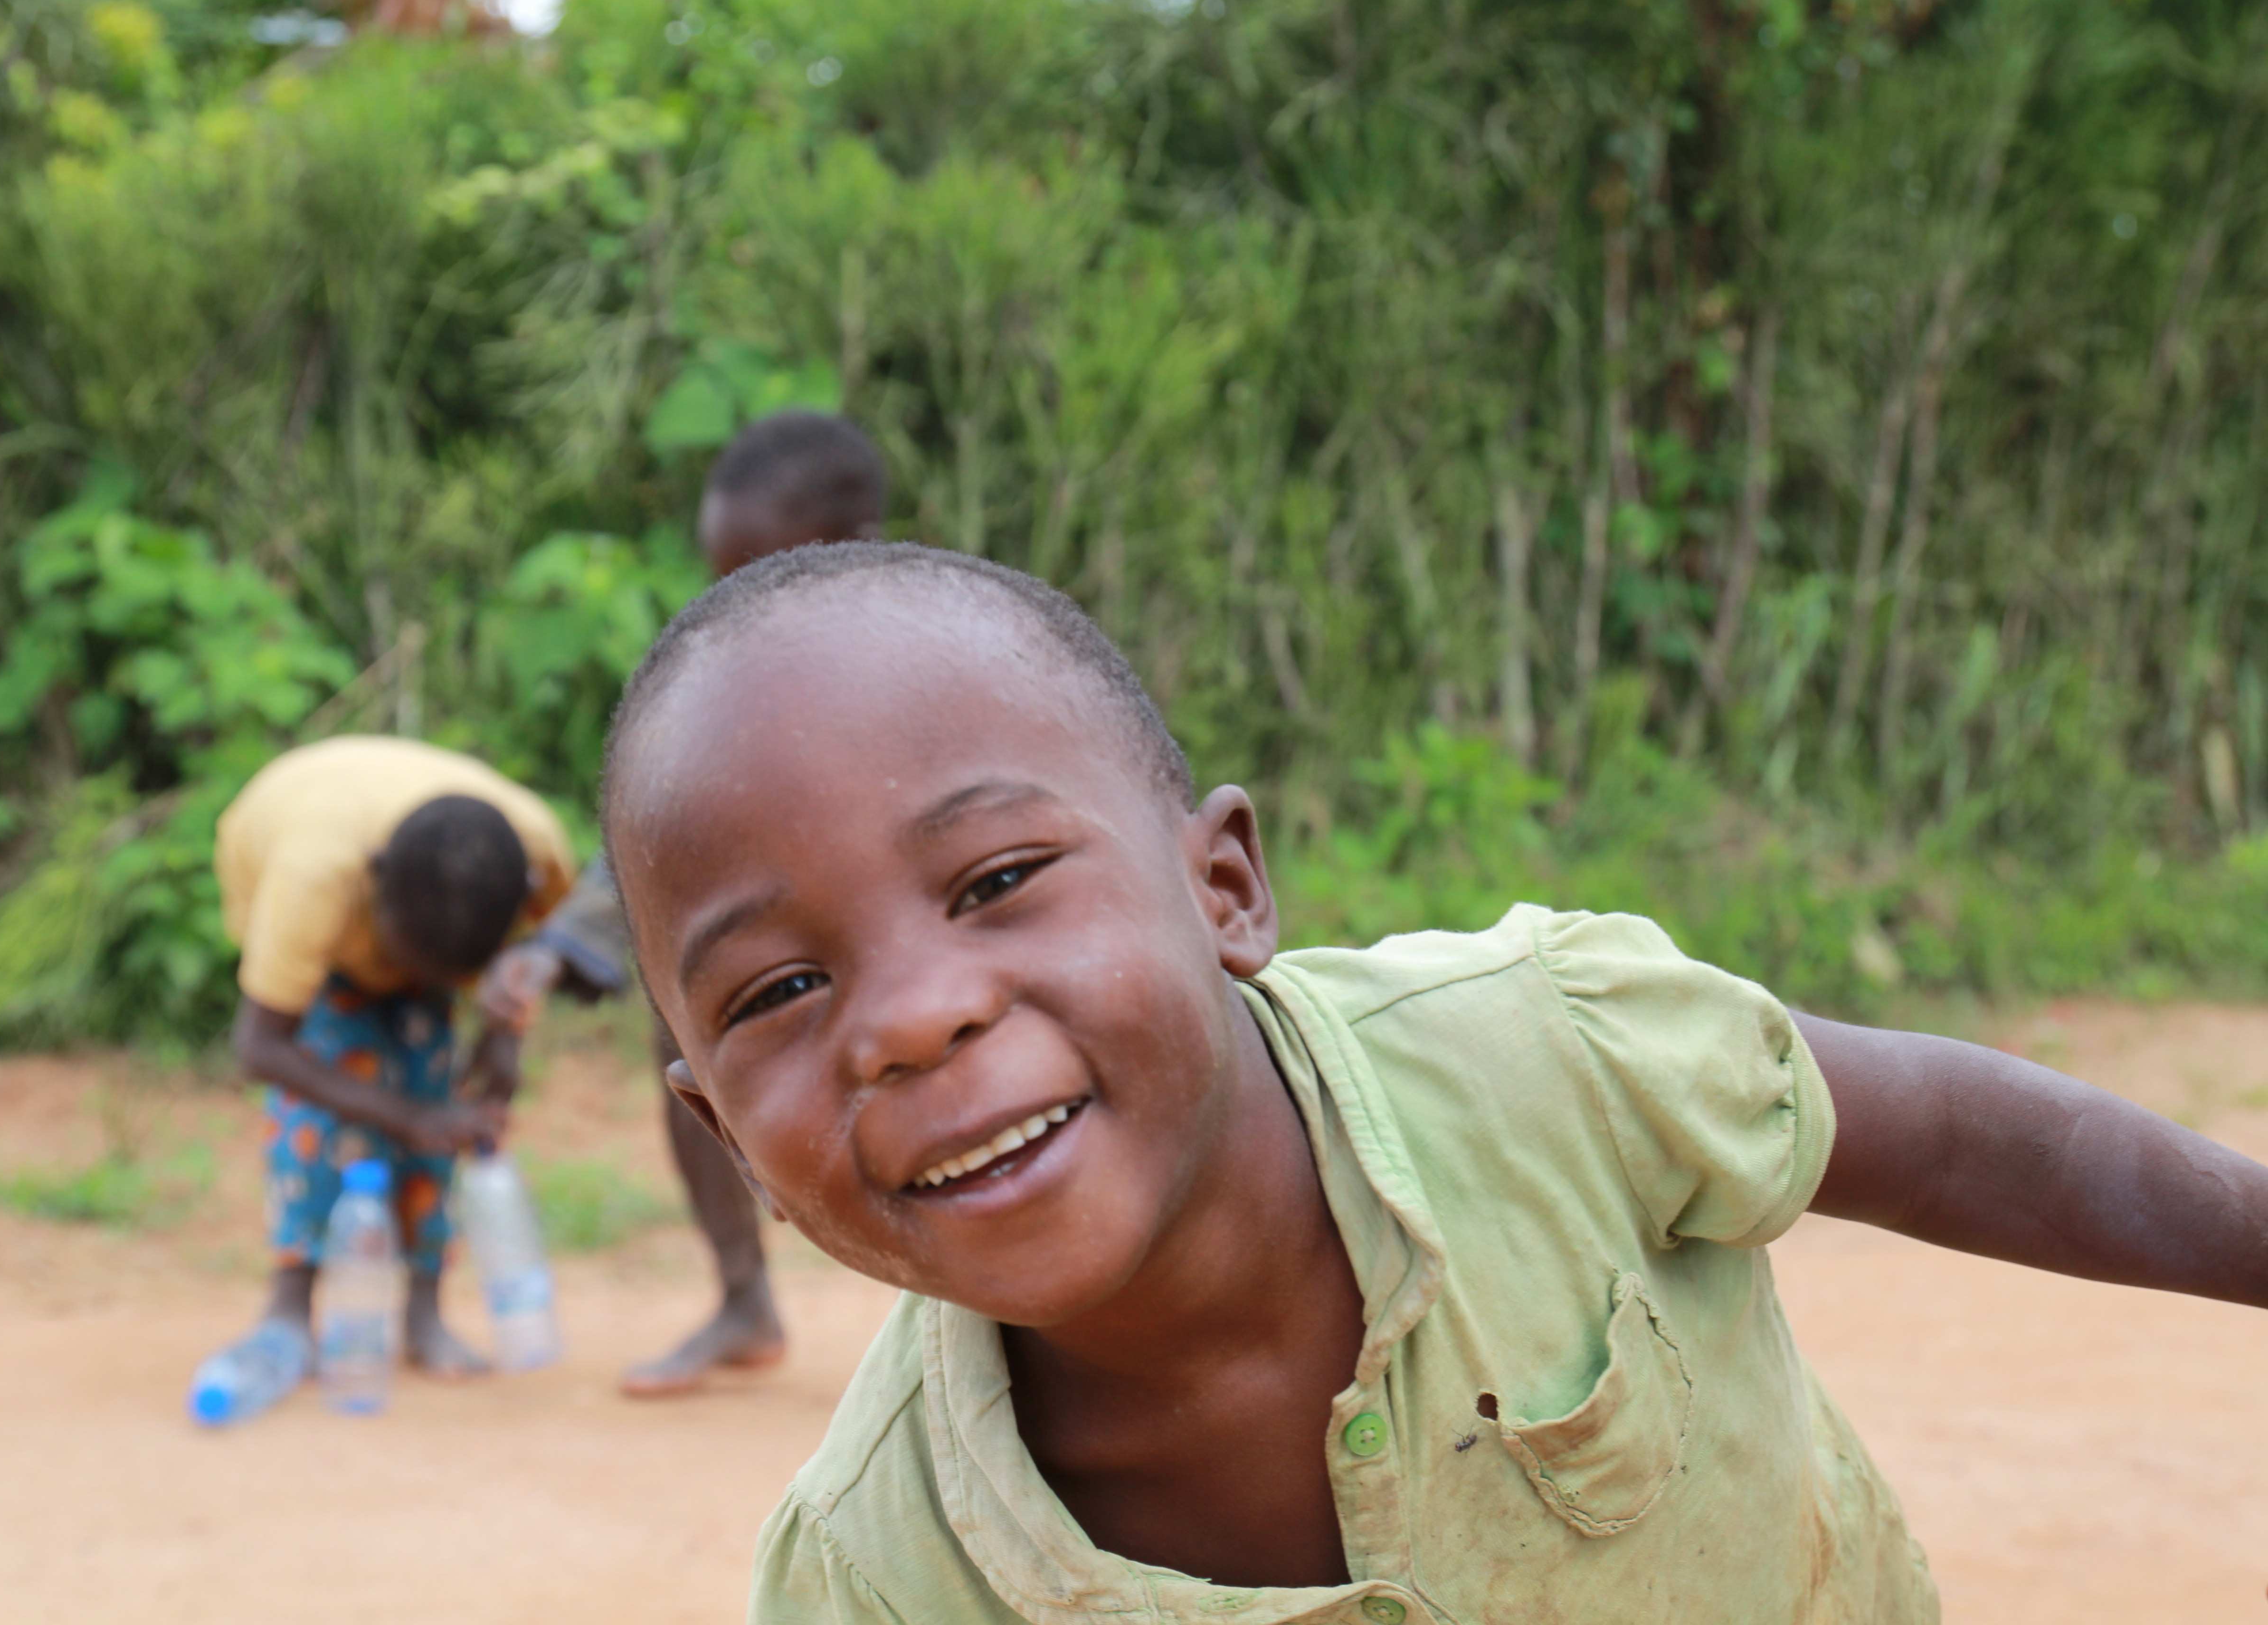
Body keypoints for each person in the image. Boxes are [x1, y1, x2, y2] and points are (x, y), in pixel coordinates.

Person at [597, 541, 2268, 1624]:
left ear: (1226, 889)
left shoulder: (1546, 1050)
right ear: (723, 1131)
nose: (906, 1022)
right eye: (783, 990)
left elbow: (1946, 1136)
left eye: (995, 881)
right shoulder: (873, 1576)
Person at [477, 409, 886, 1397]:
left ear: (853, 549)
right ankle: (744, 1298)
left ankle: (1015, 1318)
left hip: (927, 952)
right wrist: (560, 945)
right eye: (724, 574)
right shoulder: (735, 673)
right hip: (800, 938)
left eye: (766, 567)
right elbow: (660, 828)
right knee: (684, 1032)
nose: (739, 598)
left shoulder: (940, 644)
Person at [215, 734, 576, 1376]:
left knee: (440, 1110)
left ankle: (424, 1316)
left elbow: (542, 952)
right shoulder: (314, 876)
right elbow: (261, 1047)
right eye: (406, 961)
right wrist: (405, 1117)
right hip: (312, 911)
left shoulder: (537, 852)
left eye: (442, 975)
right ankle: (290, 1309)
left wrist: (503, 1037)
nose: (406, 980)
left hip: (429, 913)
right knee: (321, 1111)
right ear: (375, 879)